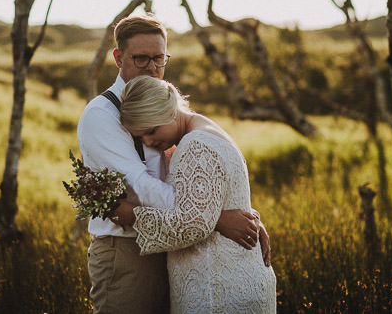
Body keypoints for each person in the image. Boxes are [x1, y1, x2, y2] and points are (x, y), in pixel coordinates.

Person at [77, 15, 268, 314]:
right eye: (141, 59)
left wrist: (244, 214)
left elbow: (205, 174)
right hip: (127, 252)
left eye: (159, 58)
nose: (153, 68)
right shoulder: (102, 114)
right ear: (118, 57)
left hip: (180, 248)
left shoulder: (163, 106)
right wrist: (218, 217)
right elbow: (139, 185)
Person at [113, 75, 277, 313]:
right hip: (233, 279)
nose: (148, 141)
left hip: (217, 290)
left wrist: (132, 215)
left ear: (168, 111)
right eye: (141, 138)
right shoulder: (207, 128)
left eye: (151, 130)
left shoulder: (195, 146)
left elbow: (194, 224)